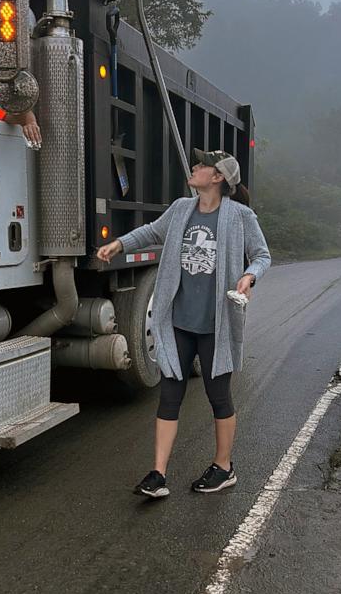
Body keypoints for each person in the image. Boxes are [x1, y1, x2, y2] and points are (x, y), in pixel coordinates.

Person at [96, 149, 271, 498]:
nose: (195, 167)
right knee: (169, 395)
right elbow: (150, 232)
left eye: (203, 164)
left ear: (218, 177)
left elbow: (262, 255)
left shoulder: (240, 216)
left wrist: (249, 276)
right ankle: (158, 474)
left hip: (216, 325)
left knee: (218, 396)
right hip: (179, 322)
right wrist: (118, 243)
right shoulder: (181, 209)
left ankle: (224, 467)